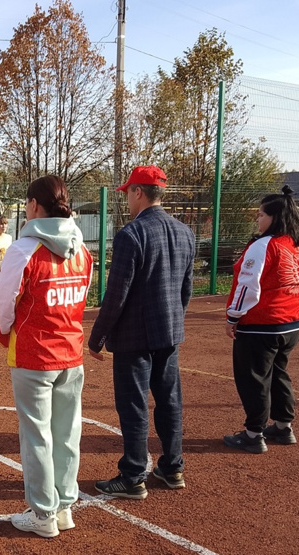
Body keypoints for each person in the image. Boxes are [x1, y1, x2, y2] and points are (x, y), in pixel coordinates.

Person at [0, 175, 93, 538]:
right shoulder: (81, 249)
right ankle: (64, 507)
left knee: (37, 436)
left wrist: (4, 335)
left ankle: (43, 514)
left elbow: (4, 303)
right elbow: (81, 297)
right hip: (70, 351)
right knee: (67, 433)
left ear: (34, 206)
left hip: (35, 354)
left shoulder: (24, 249)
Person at [88, 165, 195, 499]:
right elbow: (186, 289)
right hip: (169, 331)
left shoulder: (131, 234)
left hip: (135, 337)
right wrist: (175, 319)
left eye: (128, 193)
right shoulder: (185, 232)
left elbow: (116, 294)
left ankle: (134, 475)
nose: (127, 201)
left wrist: (97, 337)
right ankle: (172, 466)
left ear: (138, 191)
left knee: (133, 405)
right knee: (169, 400)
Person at [223, 186, 299, 453]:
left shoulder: (263, 245)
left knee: (254, 378)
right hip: (291, 321)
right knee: (278, 373)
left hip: (262, 323)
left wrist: (233, 317)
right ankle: (283, 427)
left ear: (274, 217)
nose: (257, 219)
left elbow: (248, 285)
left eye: (261, 214)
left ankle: (253, 434)